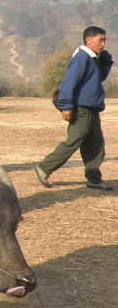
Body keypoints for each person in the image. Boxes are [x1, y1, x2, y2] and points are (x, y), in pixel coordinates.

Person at [35, 26, 113, 191]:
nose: (103, 44)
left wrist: (105, 60)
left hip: (92, 109)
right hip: (81, 109)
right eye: (101, 40)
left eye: (105, 40)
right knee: (73, 142)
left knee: (95, 144)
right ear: (89, 40)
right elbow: (69, 82)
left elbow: (99, 78)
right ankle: (44, 167)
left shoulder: (92, 58)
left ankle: (94, 179)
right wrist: (66, 106)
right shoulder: (82, 57)